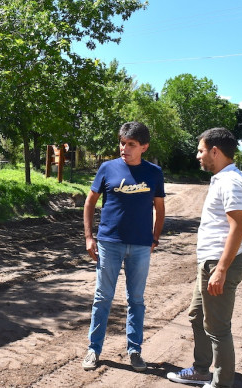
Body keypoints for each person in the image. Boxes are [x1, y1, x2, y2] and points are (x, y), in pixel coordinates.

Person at [167, 128, 242, 388]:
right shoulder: (222, 178)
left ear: (215, 151)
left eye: (201, 150)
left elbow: (238, 226)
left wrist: (221, 269)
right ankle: (202, 370)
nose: (197, 156)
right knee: (196, 315)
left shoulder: (230, 181)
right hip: (210, 263)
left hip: (219, 264)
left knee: (218, 328)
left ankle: (221, 383)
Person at [82, 121, 165, 372]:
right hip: (109, 243)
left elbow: (160, 211)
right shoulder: (107, 168)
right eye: (122, 143)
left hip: (140, 246)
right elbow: (89, 203)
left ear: (144, 147)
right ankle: (93, 350)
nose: (124, 148)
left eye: (131, 144)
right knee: (102, 298)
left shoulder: (154, 173)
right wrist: (89, 237)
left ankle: (135, 350)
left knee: (136, 300)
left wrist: (154, 239)